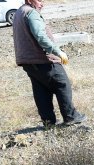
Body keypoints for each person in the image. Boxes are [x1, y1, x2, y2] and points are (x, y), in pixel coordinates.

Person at [13, 0, 87, 128]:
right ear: (29, 0)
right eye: (39, 0)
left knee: (41, 90)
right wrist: (58, 52)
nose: (42, 4)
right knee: (62, 84)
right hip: (43, 59)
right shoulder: (31, 13)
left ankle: (48, 122)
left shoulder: (19, 12)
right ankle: (71, 116)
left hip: (27, 61)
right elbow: (41, 36)